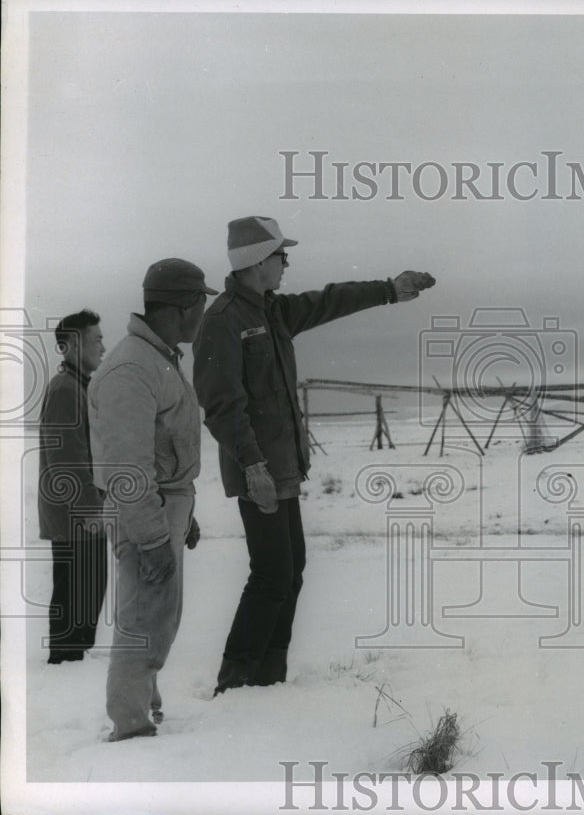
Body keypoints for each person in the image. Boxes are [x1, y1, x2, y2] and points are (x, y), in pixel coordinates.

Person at [193, 216, 435, 695]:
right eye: (281, 255)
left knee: (291, 571)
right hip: (258, 470)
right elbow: (222, 407)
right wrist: (253, 466)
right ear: (257, 261)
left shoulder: (273, 311)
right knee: (272, 574)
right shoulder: (223, 322)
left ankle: (268, 678)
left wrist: (390, 290)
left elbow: (329, 300)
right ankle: (235, 680)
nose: (286, 263)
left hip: (282, 467)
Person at [89, 259, 217, 741]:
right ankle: (130, 727)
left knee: (155, 615)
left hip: (163, 505)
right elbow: (128, 468)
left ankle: (145, 709)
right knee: (145, 620)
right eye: (201, 303)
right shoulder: (132, 368)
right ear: (183, 307)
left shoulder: (156, 357)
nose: (203, 312)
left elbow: (164, 445)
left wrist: (184, 514)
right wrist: (152, 536)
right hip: (145, 509)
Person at [38, 310, 108, 664]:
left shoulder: (78, 386)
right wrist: (91, 511)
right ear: (75, 345)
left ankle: (69, 664)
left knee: (86, 598)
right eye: (97, 340)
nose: (103, 348)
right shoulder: (65, 389)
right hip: (75, 518)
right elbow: (67, 460)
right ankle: (64, 668)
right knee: (75, 604)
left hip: (82, 516)